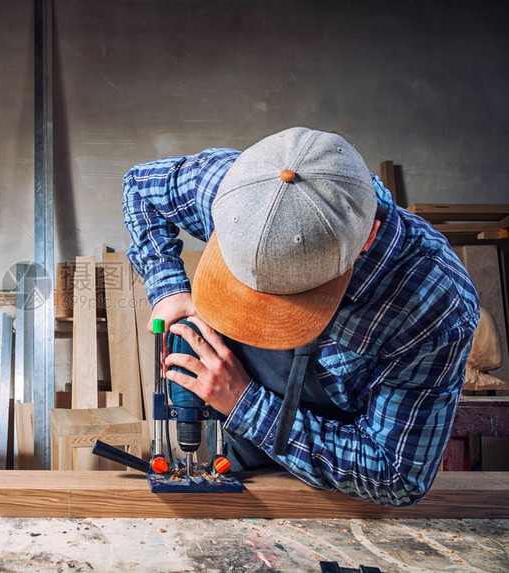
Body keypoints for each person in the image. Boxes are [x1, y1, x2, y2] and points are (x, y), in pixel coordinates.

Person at [122, 127, 479, 506]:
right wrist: (169, 288)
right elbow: (142, 188)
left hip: (338, 493)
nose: (254, 316)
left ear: (364, 243)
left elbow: (396, 474)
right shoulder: (237, 189)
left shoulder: (434, 306)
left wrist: (244, 402)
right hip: (236, 455)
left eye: (280, 301)